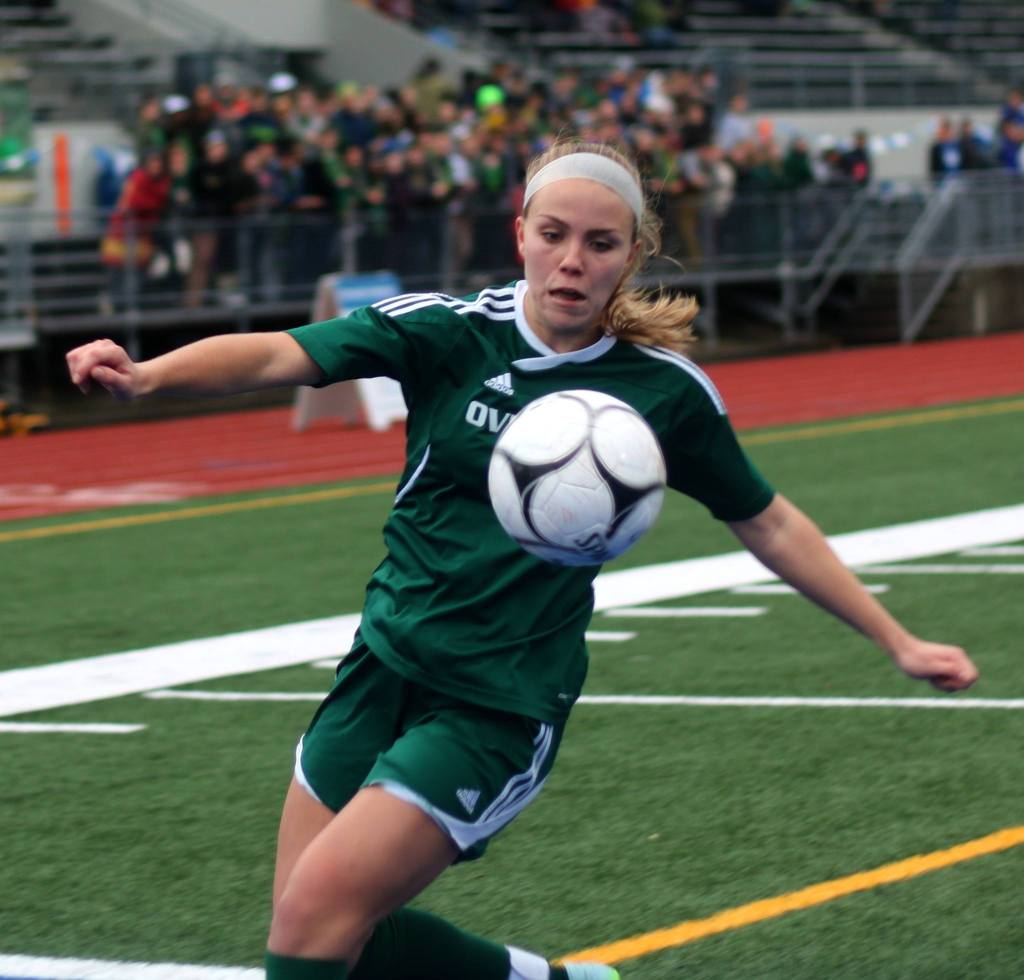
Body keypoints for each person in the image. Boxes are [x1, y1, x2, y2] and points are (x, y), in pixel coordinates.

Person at [66, 139, 979, 980]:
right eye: (553, 235)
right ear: (521, 235)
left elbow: (768, 522)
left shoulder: (662, 395)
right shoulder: (446, 332)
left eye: (600, 242)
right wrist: (148, 376)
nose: (573, 260)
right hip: (380, 667)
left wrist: (896, 639)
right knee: (330, 934)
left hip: (497, 702)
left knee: (313, 919)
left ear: (633, 254)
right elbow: (279, 352)